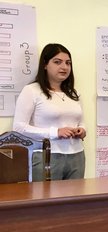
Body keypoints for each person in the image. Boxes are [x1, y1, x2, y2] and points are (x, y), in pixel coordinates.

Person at [13, 43, 85, 181]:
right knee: (46, 201)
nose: (64, 67)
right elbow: (19, 128)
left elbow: (81, 122)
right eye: (57, 62)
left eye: (68, 63)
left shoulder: (74, 93)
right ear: (45, 64)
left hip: (77, 155)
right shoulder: (32, 91)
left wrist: (82, 130)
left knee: (75, 201)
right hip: (46, 156)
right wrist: (55, 132)